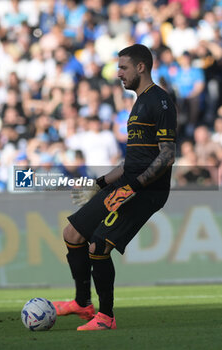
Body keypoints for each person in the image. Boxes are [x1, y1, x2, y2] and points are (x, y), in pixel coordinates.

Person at [53, 44, 177, 331]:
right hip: (126, 183)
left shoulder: (160, 102)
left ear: (141, 67)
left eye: (123, 67)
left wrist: (134, 186)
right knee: (72, 233)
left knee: (98, 245)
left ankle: (106, 317)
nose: (118, 73)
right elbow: (130, 162)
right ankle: (83, 304)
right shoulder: (137, 104)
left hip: (147, 190)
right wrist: (98, 184)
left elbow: (168, 155)